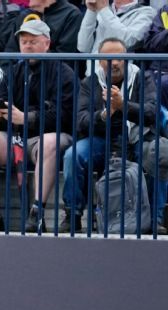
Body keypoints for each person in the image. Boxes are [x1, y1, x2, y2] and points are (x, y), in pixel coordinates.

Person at [0, 17, 75, 232]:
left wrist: (27, 118)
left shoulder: (64, 72)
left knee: (50, 142)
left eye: (32, 41)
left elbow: (65, 115)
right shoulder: (13, 70)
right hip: (15, 137)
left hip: (50, 136)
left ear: (46, 43)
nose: (27, 45)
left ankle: (37, 214)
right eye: (24, 41)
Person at [61, 37, 168, 233]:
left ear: (127, 59)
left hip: (137, 138)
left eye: (119, 57)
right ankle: (72, 214)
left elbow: (152, 112)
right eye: (108, 57)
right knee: (73, 155)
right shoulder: (90, 82)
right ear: (100, 61)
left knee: (159, 151)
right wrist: (104, 115)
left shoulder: (142, 78)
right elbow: (81, 120)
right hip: (102, 140)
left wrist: (122, 106)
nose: (115, 62)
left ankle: (156, 218)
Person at [0, 0, 80, 52]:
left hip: (54, 84)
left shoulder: (71, 14)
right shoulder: (25, 15)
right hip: (21, 83)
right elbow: (8, 54)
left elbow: (65, 59)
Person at [76, 0, 155, 54]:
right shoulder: (103, 10)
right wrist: (91, 11)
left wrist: (104, 10)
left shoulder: (147, 12)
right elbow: (83, 47)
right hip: (93, 74)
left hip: (123, 75)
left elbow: (128, 42)